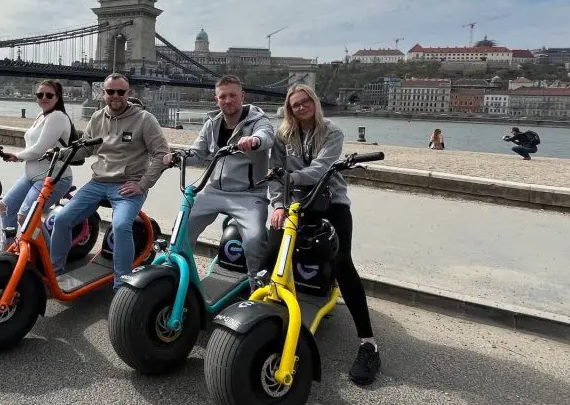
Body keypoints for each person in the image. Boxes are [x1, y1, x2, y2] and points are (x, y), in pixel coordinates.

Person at [267, 83, 382, 385]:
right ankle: (270, 315)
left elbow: (320, 169)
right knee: (273, 249)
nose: (301, 107)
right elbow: (273, 173)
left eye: (306, 102)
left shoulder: (332, 132)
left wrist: (288, 177)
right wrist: (278, 204)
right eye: (295, 104)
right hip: (295, 202)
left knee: (342, 262)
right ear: (289, 108)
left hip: (330, 202)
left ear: (315, 103)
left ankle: (368, 343)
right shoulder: (282, 136)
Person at [48, 73, 169, 287]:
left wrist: (142, 184)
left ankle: (121, 285)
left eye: (120, 92)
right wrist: (61, 153)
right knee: (62, 218)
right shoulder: (97, 117)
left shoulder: (144, 119)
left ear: (128, 93)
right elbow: (85, 149)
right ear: (103, 94)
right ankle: (55, 274)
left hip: (128, 183)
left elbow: (161, 154)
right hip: (98, 182)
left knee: (121, 225)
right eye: (110, 91)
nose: (115, 96)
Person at [164, 75, 275, 278]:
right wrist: (176, 157)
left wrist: (254, 141)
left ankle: (257, 287)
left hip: (249, 194)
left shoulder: (258, 121)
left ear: (242, 96)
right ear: (217, 100)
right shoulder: (211, 124)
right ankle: (178, 278)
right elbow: (197, 153)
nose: (228, 100)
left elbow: (267, 136)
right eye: (223, 96)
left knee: (254, 239)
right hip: (214, 190)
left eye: (233, 95)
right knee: (181, 229)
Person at [0, 80, 77, 247]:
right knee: (5, 207)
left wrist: (17, 156)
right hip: (31, 175)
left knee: (27, 217)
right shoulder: (42, 115)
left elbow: (41, 149)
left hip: (53, 177)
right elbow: (33, 145)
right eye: (40, 95)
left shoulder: (58, 117)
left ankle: (46, 257)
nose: (44, 98)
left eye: (49, 95)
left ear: (57, 97)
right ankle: (9, 247)